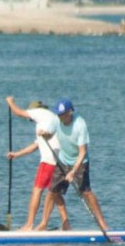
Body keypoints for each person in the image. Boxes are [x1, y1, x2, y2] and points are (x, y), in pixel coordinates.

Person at [38, 98, 111, 232]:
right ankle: (44, 223)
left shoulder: (80, 125)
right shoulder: (56, 120)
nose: (60, 117)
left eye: (63, 114)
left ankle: (102, 223)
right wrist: (45, 134)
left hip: (79, 162)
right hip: (63, 160)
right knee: (52, 192)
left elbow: (83, 152)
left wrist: (73, 171)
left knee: (86, 193)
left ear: (70, 112)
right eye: (59, 114)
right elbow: (49, 135)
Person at [5, 97, 70, 231]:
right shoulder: (50, 119)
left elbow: (18, 112)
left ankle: (29, 225)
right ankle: (66, 224)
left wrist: (10, 102)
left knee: (37, 191)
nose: (30, 119)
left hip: (48, 161)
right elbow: (36, 145)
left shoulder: (38, 112)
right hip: (60, 162)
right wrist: (17, 154)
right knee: (55, 193)